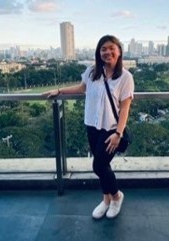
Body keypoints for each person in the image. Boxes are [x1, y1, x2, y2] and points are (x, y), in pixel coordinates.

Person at [43, 35, 134, 219]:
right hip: (92, 126)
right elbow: (81, 88)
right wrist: (60, 91)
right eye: (103, 49)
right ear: (98, 53)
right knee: (103, 165)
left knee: (99, 165)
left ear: (119, 52)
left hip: (111, 129)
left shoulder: (125, 77)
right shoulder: (93, 72)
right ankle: (106, 199)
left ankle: (116, 196)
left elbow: (125, 108)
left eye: (111, 48)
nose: (107, 52)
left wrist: (118, 133)